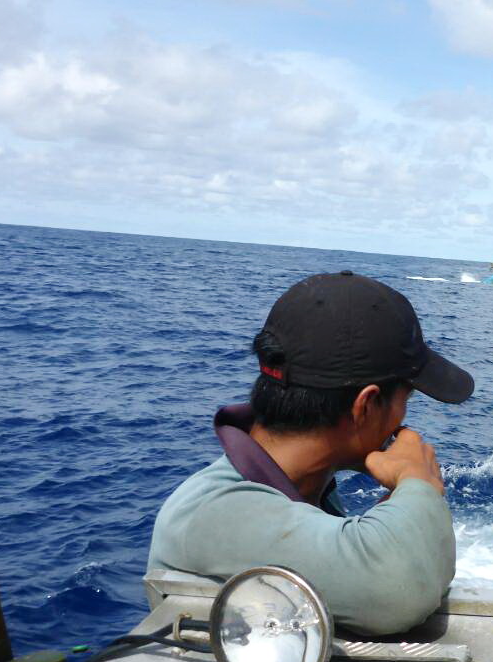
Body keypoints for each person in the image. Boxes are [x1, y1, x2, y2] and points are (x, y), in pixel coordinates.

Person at [146, 271, 474, 636]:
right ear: (365, 406)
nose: (404, 422)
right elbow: (396, 588)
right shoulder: (211, 514)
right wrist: (418, 481)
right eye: (405, 400)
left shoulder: (301, 486)